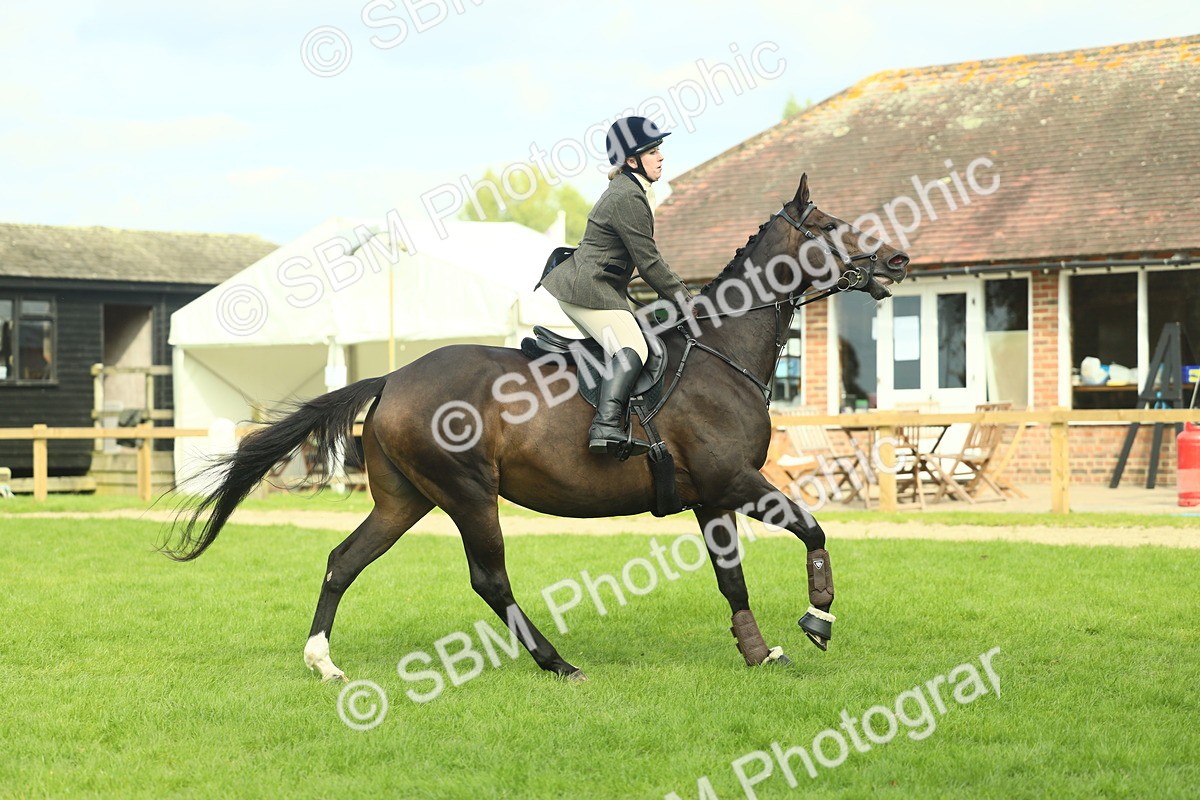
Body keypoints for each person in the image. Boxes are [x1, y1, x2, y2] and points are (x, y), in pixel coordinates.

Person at [538, 116, 694, 456]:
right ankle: (605, 425)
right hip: (586, 290)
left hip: (600, 287)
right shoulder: (627, 196)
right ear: (631, 160)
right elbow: (649, 261)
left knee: (645, 335)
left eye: (659, 150)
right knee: (633, 346)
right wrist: (686, 299)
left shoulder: (635, 190)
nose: (661, 157)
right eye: (652, 151)